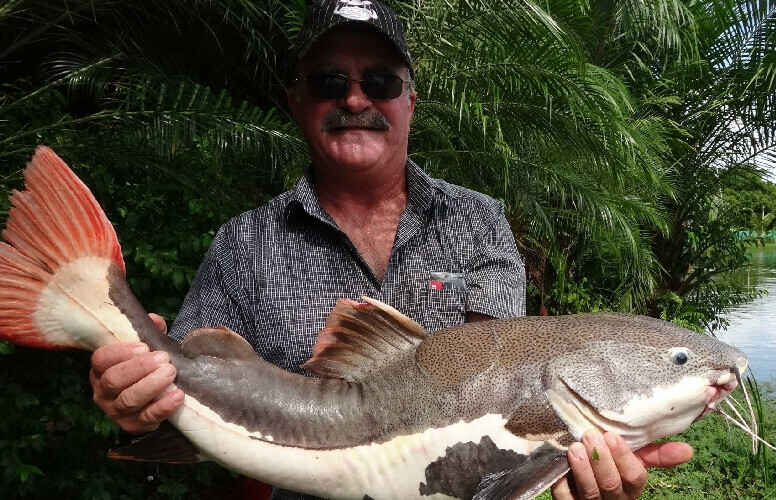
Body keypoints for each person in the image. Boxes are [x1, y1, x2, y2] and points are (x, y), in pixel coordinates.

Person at [88, 1, 693, 499]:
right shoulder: (243, 243)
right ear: (296, 100)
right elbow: (183, 371)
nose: (355, 101)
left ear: (409, 100)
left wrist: (571, 469)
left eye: (379, 82)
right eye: (330, 83)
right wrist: (139, 391)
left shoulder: (479, 223)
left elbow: (501, 401)